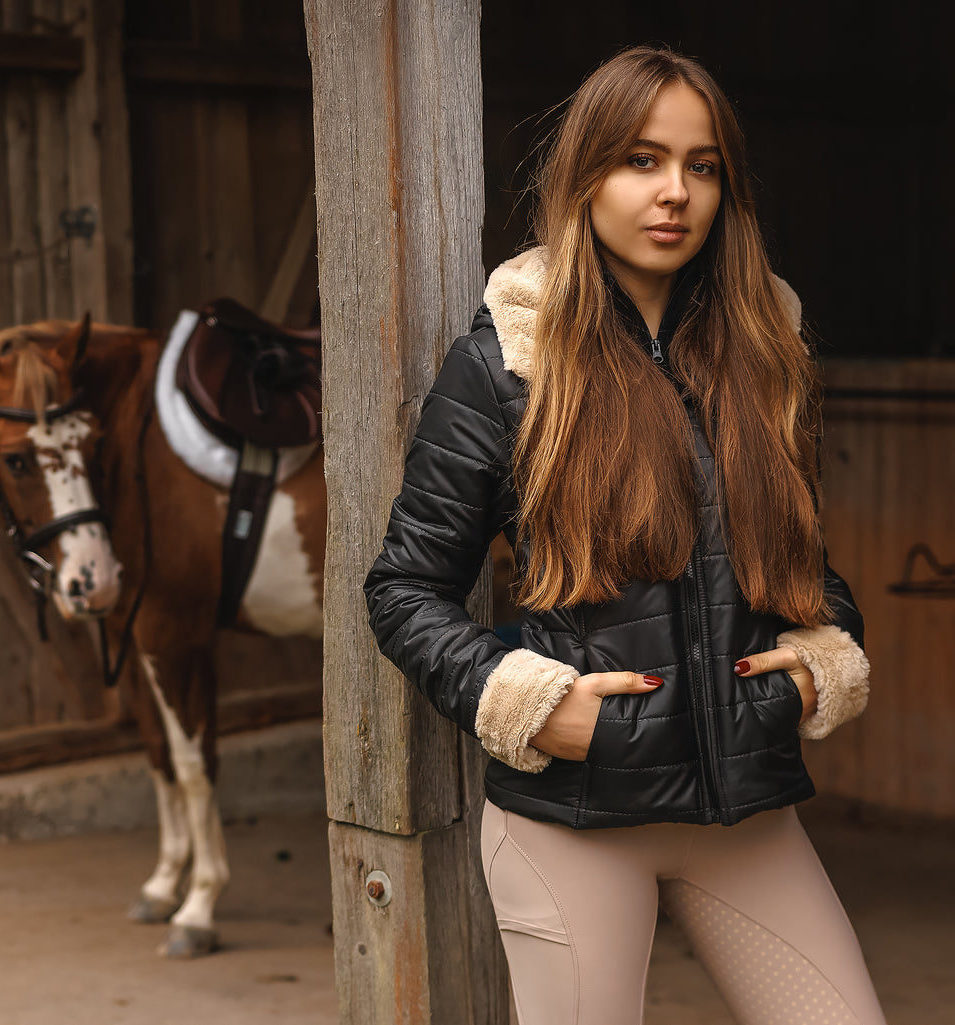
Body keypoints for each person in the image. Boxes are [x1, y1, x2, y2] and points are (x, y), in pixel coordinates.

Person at [364, 46, 886, 1025]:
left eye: (701, 166)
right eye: (640, 159)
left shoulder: (768, 357)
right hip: (577, 819)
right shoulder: (502, 368)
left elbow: (800, 566)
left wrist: (821, 659)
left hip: (746, 812)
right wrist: (522, 697)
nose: (673, 192)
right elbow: (403, 589)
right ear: (585, 174)